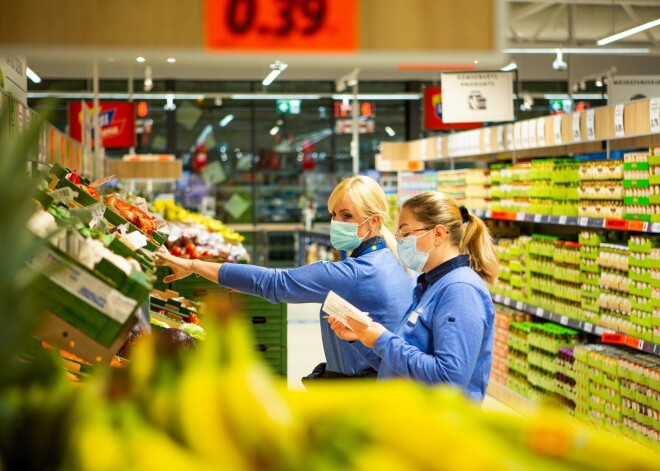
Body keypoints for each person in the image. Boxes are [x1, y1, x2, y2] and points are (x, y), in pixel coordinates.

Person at [155, 176, 414, 379]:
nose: (336, 222)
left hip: (362, 393)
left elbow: (273, 283)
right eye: (333, 214)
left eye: (347, 216)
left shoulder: (354, 273)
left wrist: (193, 264)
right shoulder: (395, 263)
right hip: (386, 383)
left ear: (373, 222)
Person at [328, 191, 498, 401]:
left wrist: (382, 339)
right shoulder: (429, 285)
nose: (400, 243)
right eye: (399, 236)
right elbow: (398, 368)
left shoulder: (460, 290)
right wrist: (364, 337)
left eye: (406, 234)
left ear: (438, 234)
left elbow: (448, 379)